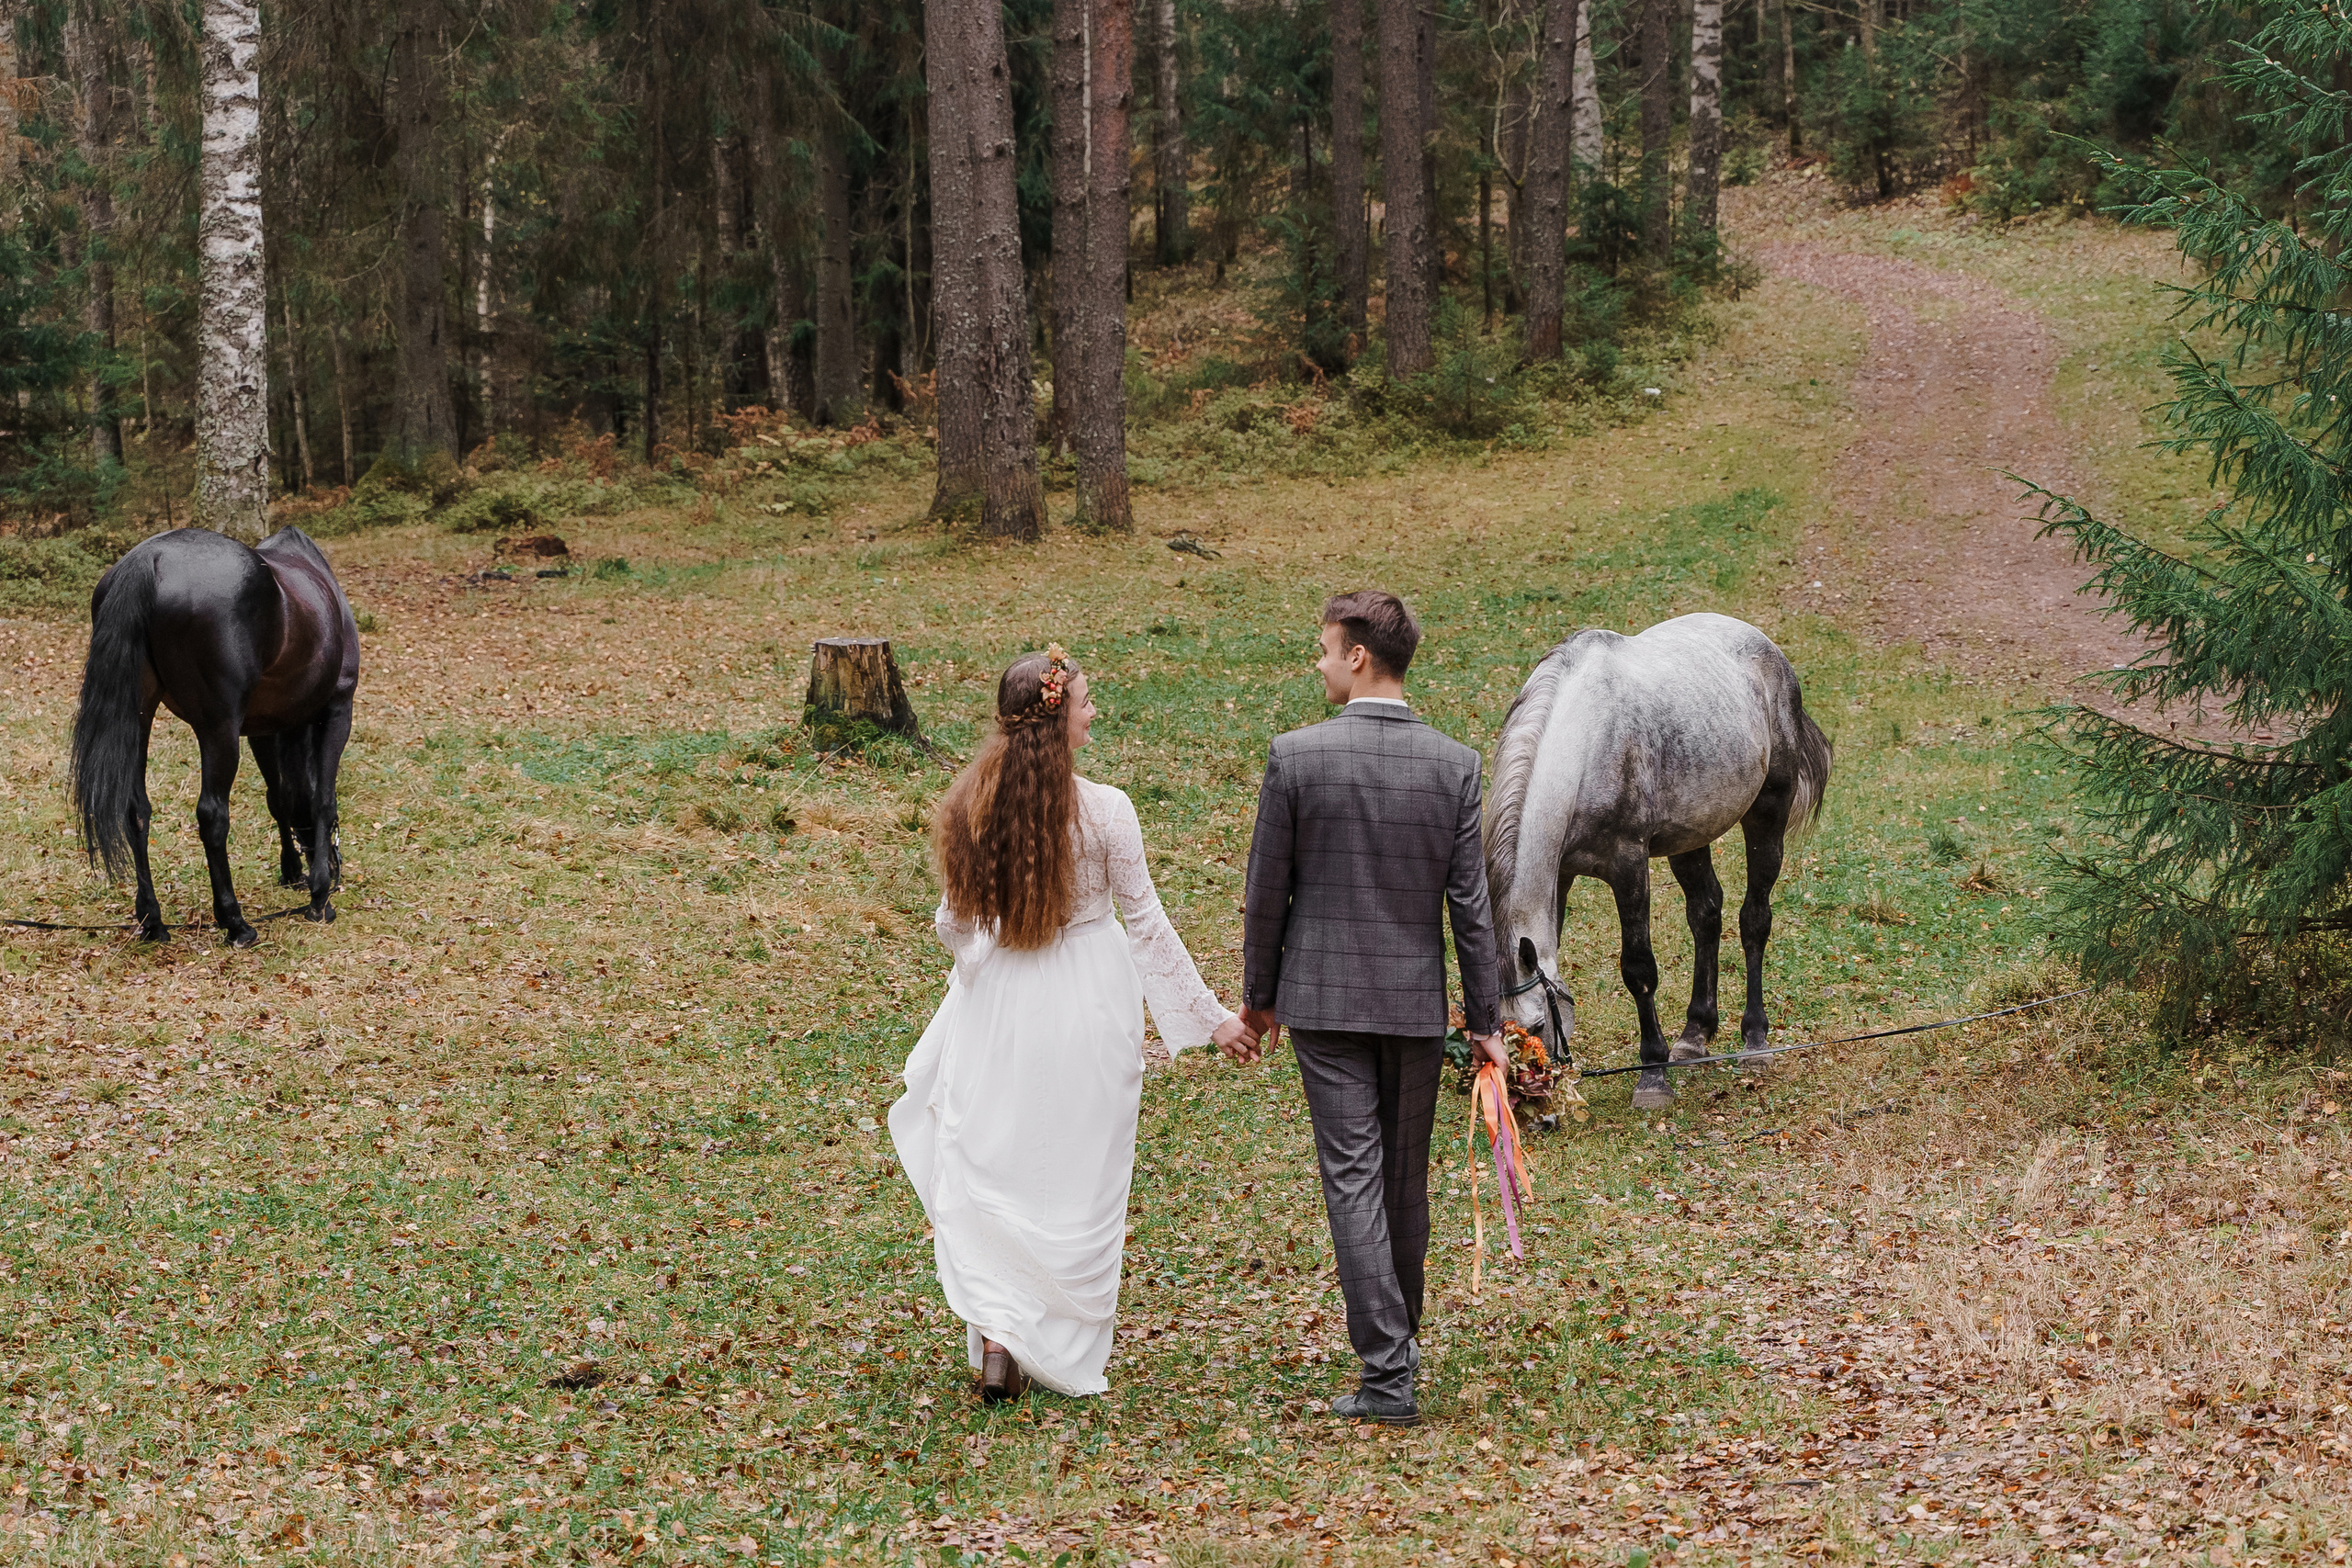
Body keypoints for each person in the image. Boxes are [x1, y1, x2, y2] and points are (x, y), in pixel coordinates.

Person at [889, 645, 1257, 1403]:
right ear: (1059, 719)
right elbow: (1146, 922)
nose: (1095, 711)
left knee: (1001, 1156)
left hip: (1007, 995)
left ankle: (1000, 1335)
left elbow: (954, 924)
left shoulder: (971, 808)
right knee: (1079, 1170)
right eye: (1086, 701)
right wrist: (1213, 1016)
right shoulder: (1108, 810)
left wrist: (984, 966)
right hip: (1091, 994)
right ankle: (1036, 1329)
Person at [1231, 590, 1507, 1427]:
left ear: (1358, 657)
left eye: (1323, 649)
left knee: (1353, 1177)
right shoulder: (1453, 764)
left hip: (1322, 999)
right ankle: (1399, 1345)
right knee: (1400, 1177)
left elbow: (1264, 891)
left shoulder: (1296, 756)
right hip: (1414, 1007)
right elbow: (1473, 905)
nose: (1318, 663)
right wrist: (1486, 1018)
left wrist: (1260, 1000)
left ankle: (1389, 1371)